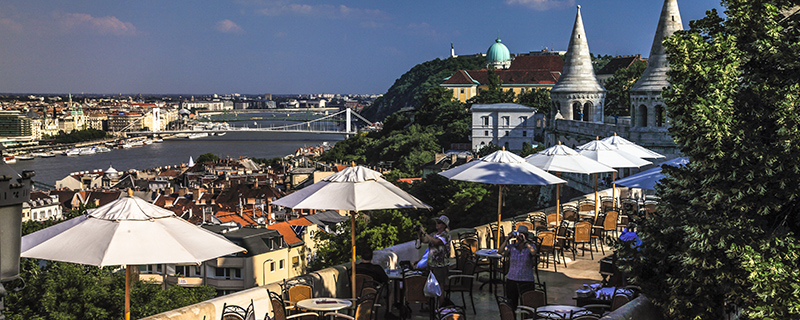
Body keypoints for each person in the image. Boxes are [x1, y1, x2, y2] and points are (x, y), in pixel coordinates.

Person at [498, 225, 537, 309]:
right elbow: (500, 251)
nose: (519, 238)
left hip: (526, 280)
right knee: (511, 305)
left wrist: (526, 242)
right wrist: (507, 239)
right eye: (519, 235)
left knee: (527, 306)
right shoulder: (511, 247)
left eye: (522, 235)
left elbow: (533, 253)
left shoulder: (531, 247)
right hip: (512, 280)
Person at [417, 215, 451, 304]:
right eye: (437, 222)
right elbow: (425, 240)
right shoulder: (434, 234)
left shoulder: (445, 235)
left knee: (440, 286)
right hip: (431, 264)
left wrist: (425, 233)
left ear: (444, 225)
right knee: (430, 286)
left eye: (439, 222)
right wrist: (419, 233)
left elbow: (436, 242)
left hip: (440, 265)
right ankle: (431, 307)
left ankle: (440, 307)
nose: (437, 224)